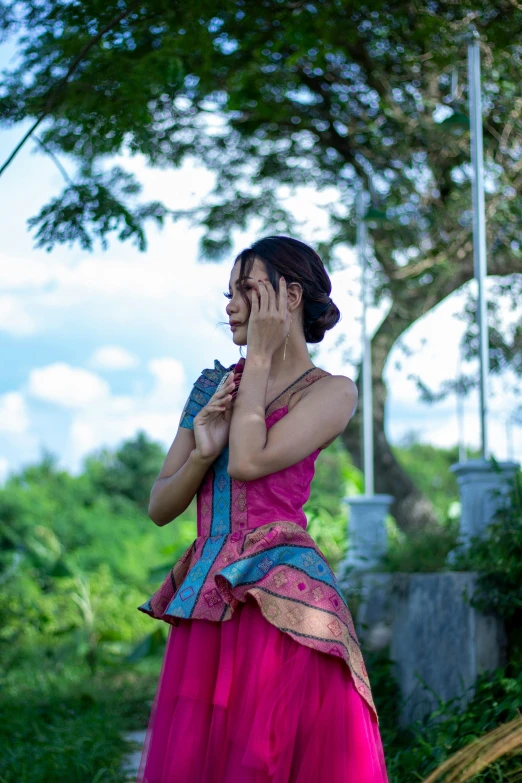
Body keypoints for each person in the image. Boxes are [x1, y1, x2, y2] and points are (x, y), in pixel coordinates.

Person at [136, 235, 389, 782]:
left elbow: (250, 460)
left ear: (289, 296)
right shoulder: (211, 386)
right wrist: (203, 454)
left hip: (283, 601)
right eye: (227, 293)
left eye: (245, 291)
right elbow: (160, 506)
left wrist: (261, 362)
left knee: (270, 760)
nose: (229, 306)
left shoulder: (331, 392)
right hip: (208, 596)